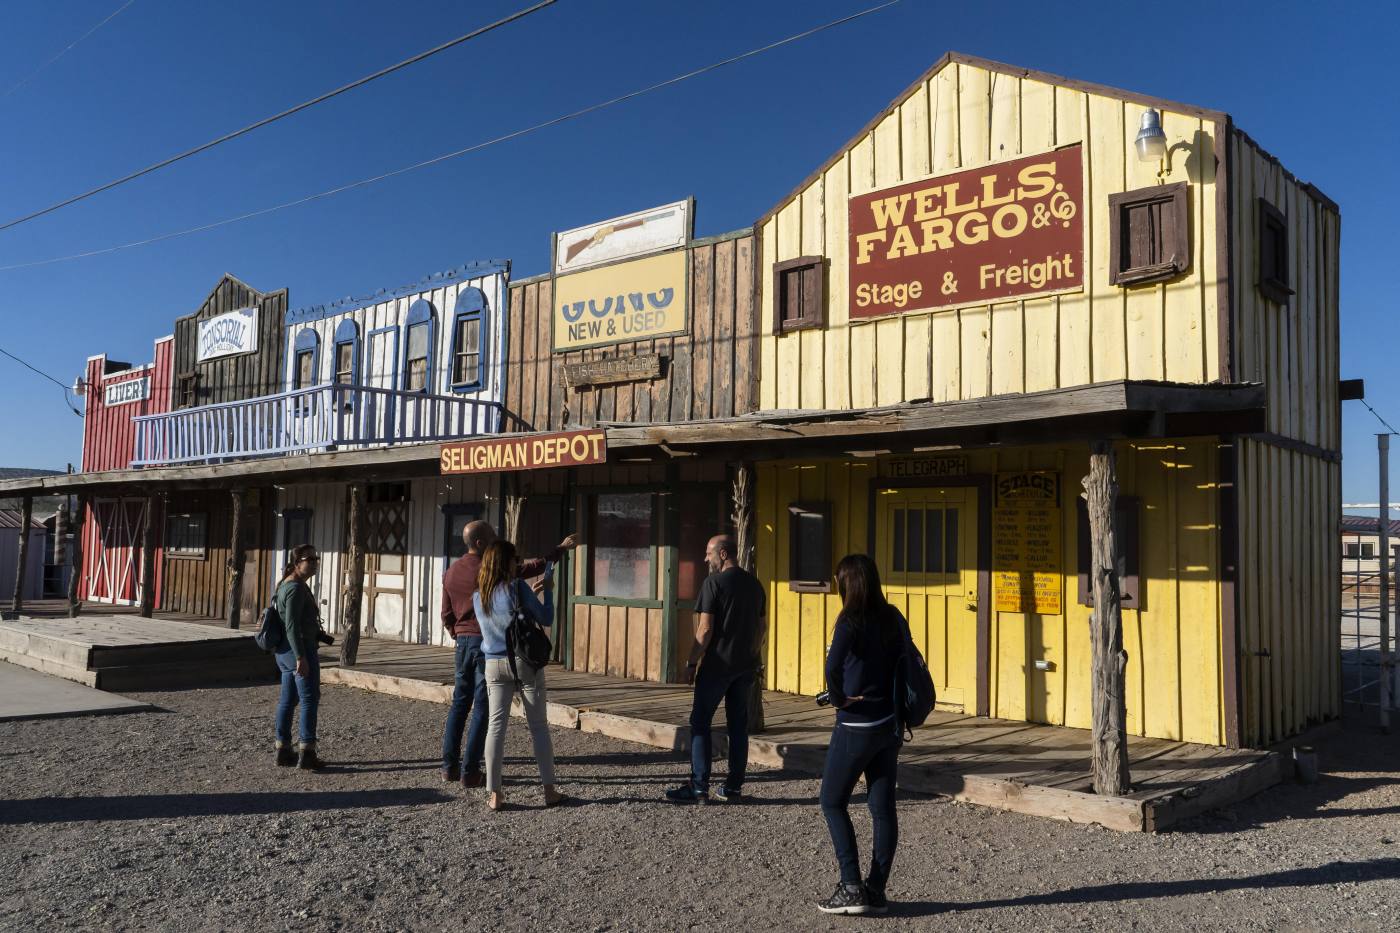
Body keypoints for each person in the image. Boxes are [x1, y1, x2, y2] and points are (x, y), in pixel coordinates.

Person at [439, 520, 575, 787]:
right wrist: (557, 551)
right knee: (483, 710)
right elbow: (527, 571)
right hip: (487, 643)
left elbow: (446, 613)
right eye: (492, 536)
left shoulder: (451, 571)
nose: (496, 538)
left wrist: (457, 634)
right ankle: (470, 771)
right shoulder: (492, 571)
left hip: (463, 642)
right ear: (480, 543)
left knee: (459, 704)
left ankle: (448, 767)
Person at [816, 554, 913, 916]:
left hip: (855, 725)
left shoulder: (849, 621)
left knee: (831, 801)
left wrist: (839, 698)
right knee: (882, 807)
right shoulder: (893, 617)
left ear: (848, 585)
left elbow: (832, 667)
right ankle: (876, 889)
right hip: (889, 724)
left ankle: (851, 885)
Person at [665, 534, 766, 804]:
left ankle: (699, 785)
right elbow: (762, 628)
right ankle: (733, 785)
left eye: (709, 553)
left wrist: (691, 662)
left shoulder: (713, 584)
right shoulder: (755, 585)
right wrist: (753, 654)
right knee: (738, 726)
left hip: (717, 666)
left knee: (700, 723)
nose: (705, 559)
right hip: (745, 666)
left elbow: (706, 629)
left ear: (723, 554)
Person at [473, 539, 563, 811]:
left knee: (496, 727)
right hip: (524, 662)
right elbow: (545, 618)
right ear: (506, 562)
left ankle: (495, 794)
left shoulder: (478, 595)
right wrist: (547, 591)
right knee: (538, 727)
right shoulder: (516, 588)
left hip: (493, 662)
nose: (518, 563)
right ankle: (549, 790)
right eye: (515, 559)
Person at [274, 544, 324, 771]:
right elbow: (292, 626)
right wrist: (300, 657)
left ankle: (283, 748)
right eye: (309, 559)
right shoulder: (294, 588)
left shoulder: (285, 584)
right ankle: (307, 751)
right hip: (298, 650)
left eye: (316, 558)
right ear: (297, 563)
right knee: (309, 699)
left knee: (288, 700)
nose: (314, 563)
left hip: (285, 651)